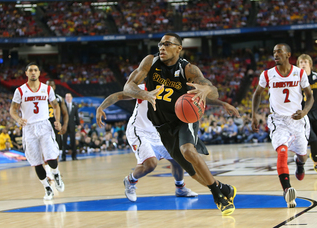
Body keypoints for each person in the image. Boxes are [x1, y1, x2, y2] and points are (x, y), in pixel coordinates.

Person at [123, 33, 239, 216]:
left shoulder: (188, 69)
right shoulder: (150, 62)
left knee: (187, 150)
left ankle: (217, 196)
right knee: (192, 172)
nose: (162, 47)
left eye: (167, 44)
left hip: (185, 119)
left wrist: (208, 89)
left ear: (179, 48)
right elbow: (128, 87)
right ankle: (223, 188)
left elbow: (213, 91)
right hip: (162, 126)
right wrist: (144, 94)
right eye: (160, 44)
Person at [96, 86, 200, 202]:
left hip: (157, 133)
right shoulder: (143, 88)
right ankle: (130, 181)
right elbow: (118, 95)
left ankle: (180, 187)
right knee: (151, 164)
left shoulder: (174, 91)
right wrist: (101, 107)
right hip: (139, 130)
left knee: (179, 159)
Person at [251, 44, 314, 208]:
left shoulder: (299, 72)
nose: (275, 54)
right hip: (277, 120)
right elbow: (257, 94)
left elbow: (310, 96)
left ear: (288, 54)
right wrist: (254, 115)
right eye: (273, 52)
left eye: (279, 52)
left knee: (303, 156)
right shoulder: (267, 74)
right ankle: (287, 189)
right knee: (282, 151)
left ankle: (300, 163)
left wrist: (305, 111)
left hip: (297, 119)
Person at [9, 62, 65, 200]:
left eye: (35, 70)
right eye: (30, 70)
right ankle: (47, 188)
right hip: (29, 128)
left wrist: (57, 120)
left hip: (44, 125)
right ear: (26, 73)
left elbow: (56, 106)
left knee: (51, 157)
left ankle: (56, 174)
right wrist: (18, 119)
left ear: (39, 73)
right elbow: (12, 109)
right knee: (36, 162)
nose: (33, 72)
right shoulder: (20, 90)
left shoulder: (47, 89)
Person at [296, 54, 317, 172]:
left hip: (316, 112)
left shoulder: (316, 77)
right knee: (313, 139)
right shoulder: (295, 80)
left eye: (305, 62)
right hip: (304, 114)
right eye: (301, 62)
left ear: (310, 64)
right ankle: (316, 161)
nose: (303, 64)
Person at [45, 79, 69, 176]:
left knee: (56, 149)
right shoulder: (41, 97)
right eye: (48, 86)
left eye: (51, 85)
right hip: (45, 125)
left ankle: (56, 171)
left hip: (56, 125)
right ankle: (47, 172)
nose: (50, 87)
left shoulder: (59, 98)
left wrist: (65, 125)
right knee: (45, 149)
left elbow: (65, 114)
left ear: (54, 87)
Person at [62, 93, 80, 161]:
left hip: (72, 126)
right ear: (65, 98)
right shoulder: (63, 106)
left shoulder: (74, 106)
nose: (68, 98)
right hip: (64, 126)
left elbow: (76, 116)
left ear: (72, 98)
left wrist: (78, 124)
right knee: (64, 141)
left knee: (73, 141)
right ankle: (63, 157)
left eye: (69, 97)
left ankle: (74, 156)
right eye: (66, 97)